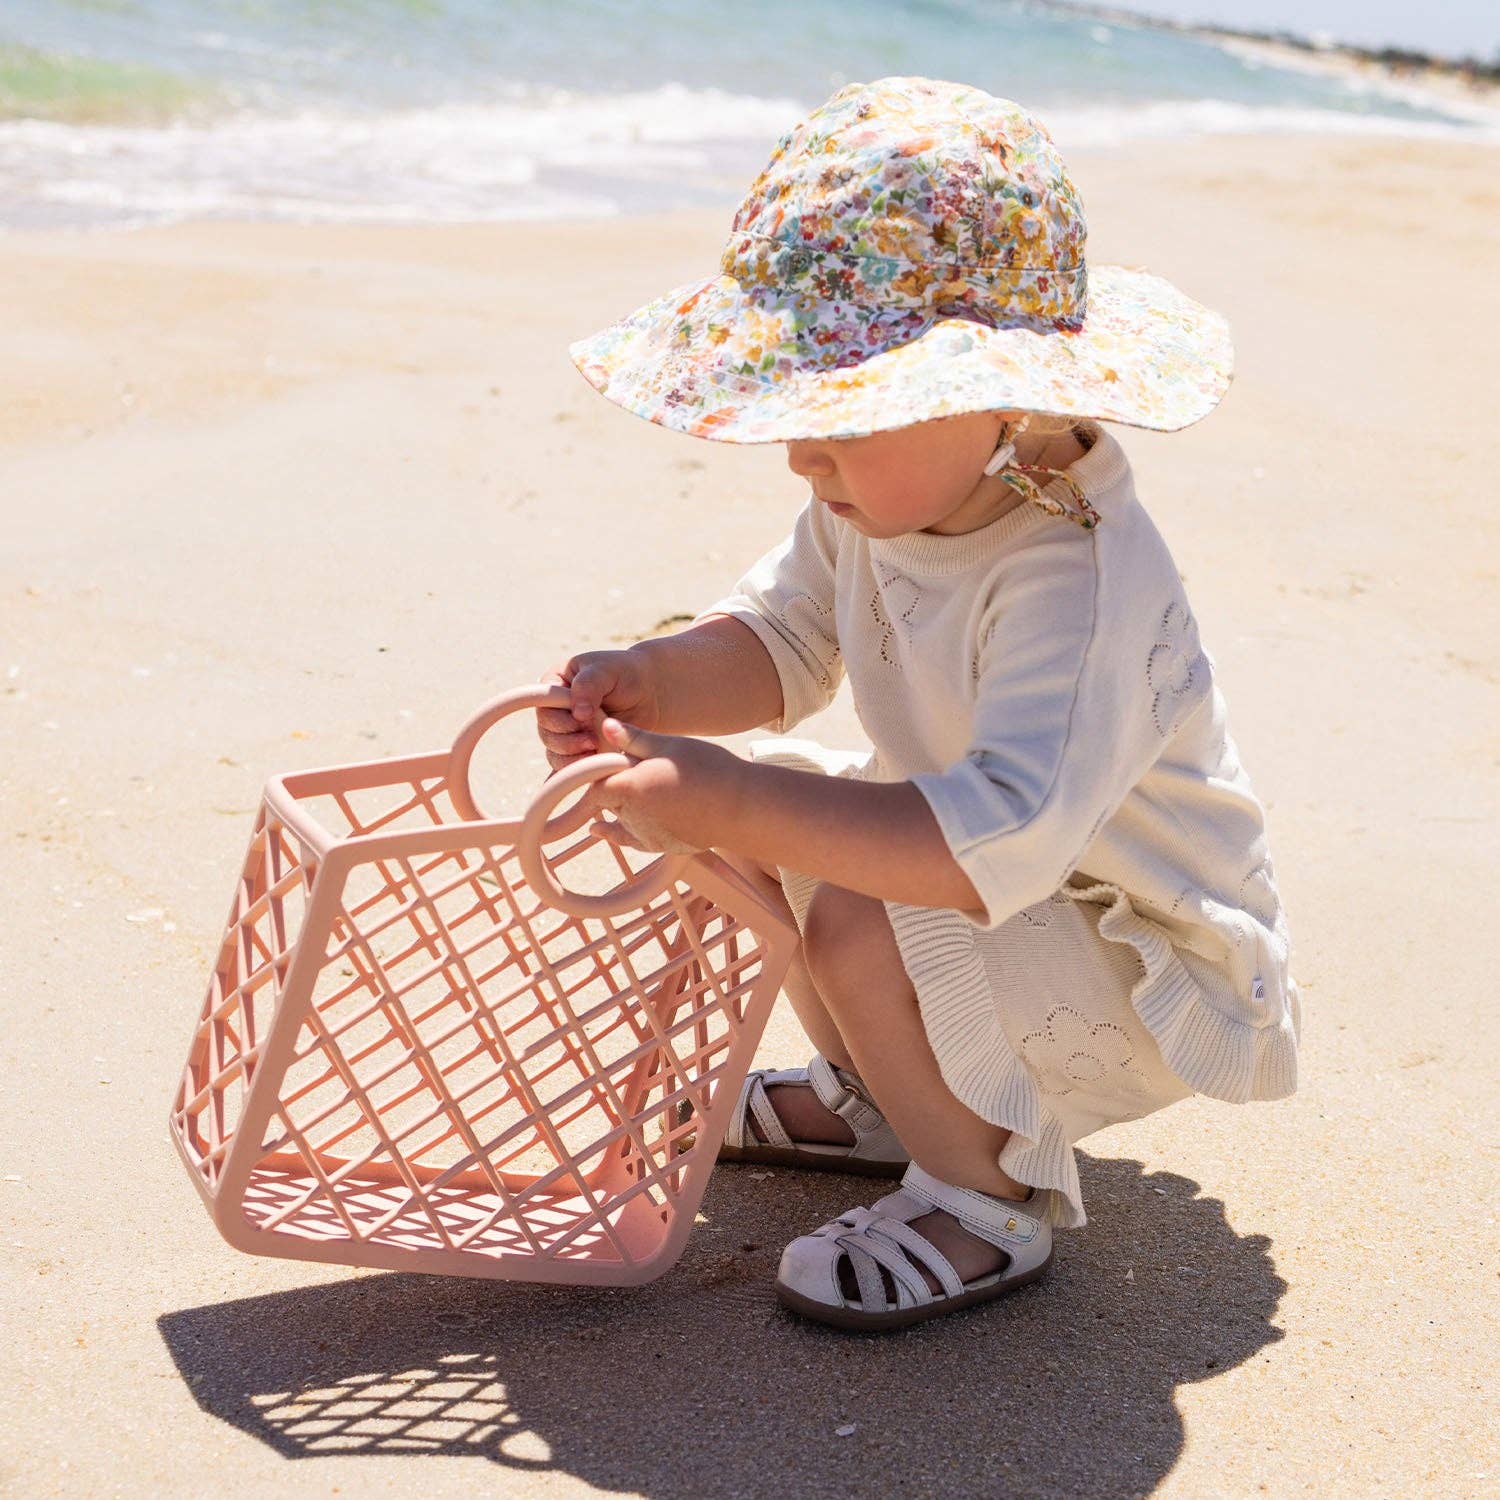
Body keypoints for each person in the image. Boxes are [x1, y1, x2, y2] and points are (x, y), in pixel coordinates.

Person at [535, 76, 1299, 1331]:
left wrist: (728, 787)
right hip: (1006, 880)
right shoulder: (888, 502)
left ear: (1007, 398)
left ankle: (986, 1193)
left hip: (1148, 949)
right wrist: (660, 682)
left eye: (844, 411)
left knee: (848, 902)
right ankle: (879, 1093)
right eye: (798, 411)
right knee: (760, 841)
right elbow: (786, 640)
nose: (801, 452)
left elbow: (986, 841)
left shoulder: (1081, 584)